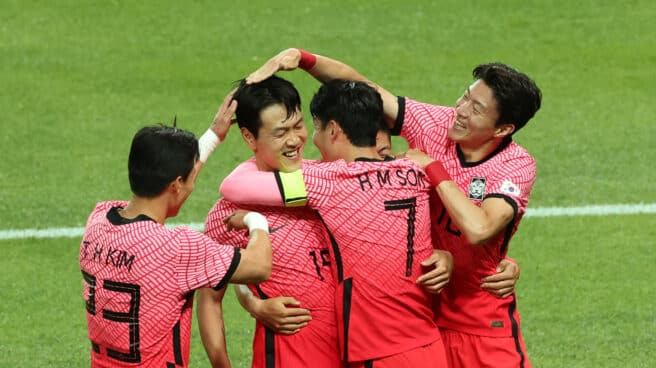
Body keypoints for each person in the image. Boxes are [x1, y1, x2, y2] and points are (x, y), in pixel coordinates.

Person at [246, 48, 539, 367]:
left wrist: (431, 167)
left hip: (480, 327)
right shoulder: (437, 123)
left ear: (502, 129)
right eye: (465, 97)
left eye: (476, 108)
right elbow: (363, 88)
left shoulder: (515, 166)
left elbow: (480, 228)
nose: (460, 110)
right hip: (421, 319)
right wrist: (303, 59)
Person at [220, 79, 448, 368]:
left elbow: (234, 185)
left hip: (380, 350)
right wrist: (446, 254)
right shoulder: (412, 170)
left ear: (332, 130)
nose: (309, 140)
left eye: (312, 128)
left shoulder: (329, 183)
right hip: (427, 343)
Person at [79, 93, 273, 368]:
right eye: (190, 180)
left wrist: (213, 136)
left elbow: (163, 192)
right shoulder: (177, 248)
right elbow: (260, 265)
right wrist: (255, 220)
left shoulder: (98, 220)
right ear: (176, 185)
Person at [198, 75, 341, 368]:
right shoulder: (229, 214)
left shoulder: (330, 181)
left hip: (359, 348)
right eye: (280, 133)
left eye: (298, 126)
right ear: (250, 137)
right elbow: (210, 298)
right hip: (291, 356)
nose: (294, 140)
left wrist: (250, 300)